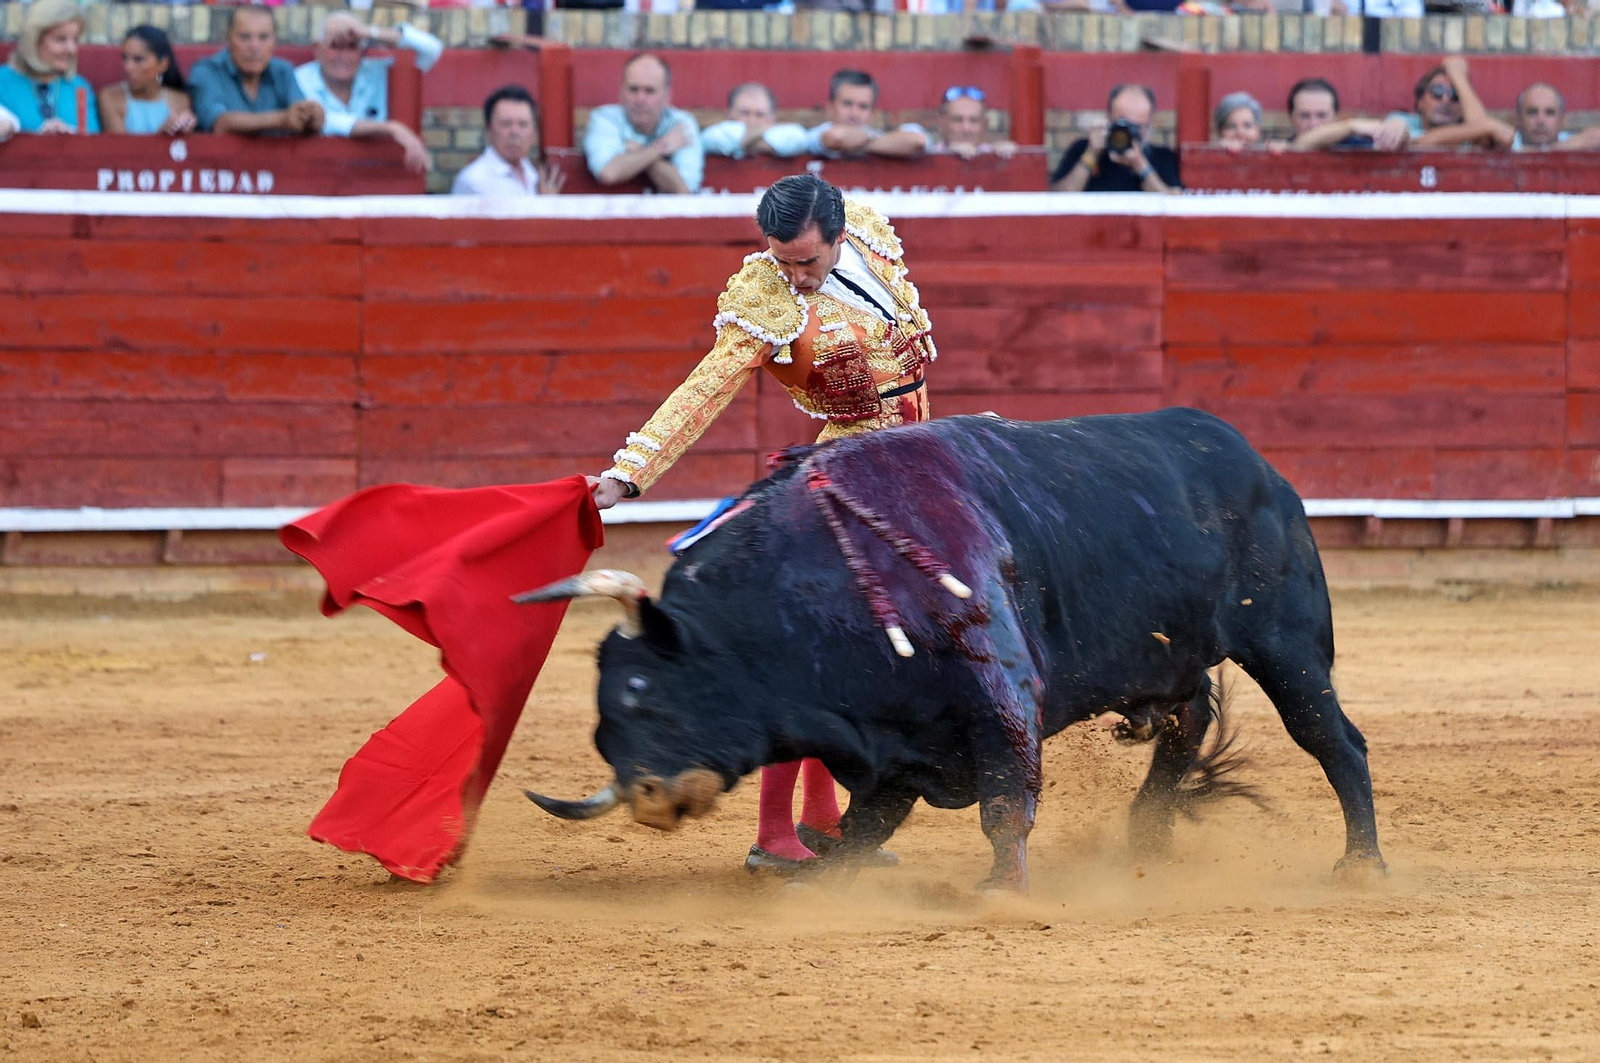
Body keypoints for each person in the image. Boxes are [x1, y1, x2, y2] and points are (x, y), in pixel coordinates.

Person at [590, 175, 937, 873]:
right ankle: (777, 832)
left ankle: (820, 820)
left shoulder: (869, 231)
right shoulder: (764, 297)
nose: (796, 277)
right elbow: (706, 385)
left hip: (917, 462)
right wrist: (631, 472)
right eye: (783, 260)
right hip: (851, 478)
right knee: (817, 652)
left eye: (808, 261)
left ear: (840, 236)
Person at [295, 11, 439, 173]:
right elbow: (325, 121)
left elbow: (431, 50)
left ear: (362, 52)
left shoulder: (378, 73)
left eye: (352, 46)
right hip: (319, 174)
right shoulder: (299, 80)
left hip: (378, 175)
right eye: (335, 46)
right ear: (317, 49)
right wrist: (390, 128)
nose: (344, 56)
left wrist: (368, 32)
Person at [188, 5, 323, 137]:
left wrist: (312, 117)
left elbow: (300, 116)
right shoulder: (206, 71)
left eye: (263, 37)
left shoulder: (283, 71)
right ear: (228, 38)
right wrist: (283, 119)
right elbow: (220, 123)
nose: (254, 46)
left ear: (274, 41)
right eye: (245, 37)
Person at [583, 53, 703, 194]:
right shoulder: (604, 119)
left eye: (649, 91)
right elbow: (608, 173)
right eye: (633, 89)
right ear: (621, 92)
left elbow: (684, 190)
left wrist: (638, 151)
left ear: (667, 96)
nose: (640, 99)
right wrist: (660, 149)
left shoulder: (682, 125)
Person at [1050, 84, 1179, 193]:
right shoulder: (1083, 149)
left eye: (1137, 127)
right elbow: (1058, 200)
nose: (1128, 132)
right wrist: (1091, 154)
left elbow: (1174, 206)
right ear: (1109, 117)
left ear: (1150, 123)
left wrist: (1140, 164)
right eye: (1123, 124)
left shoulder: (1162, 157)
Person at [0, 0, 99, 135]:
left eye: (75, 40)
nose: (71, 49)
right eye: (61, 39)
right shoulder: (3, 82)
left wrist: (70, 134)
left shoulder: (79, 86)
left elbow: (95, 144)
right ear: (34, 40)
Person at [451, 84, 564, 197]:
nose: (515, 132)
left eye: (523, 124)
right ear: (488, 129)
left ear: (534, 132)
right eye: (506, 124)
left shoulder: (533, 174)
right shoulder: (474, 180)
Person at [805, 69, 927, 159]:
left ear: (872, 114)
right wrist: (884, 144)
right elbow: (836, 137)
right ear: (830, 107)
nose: (854, 114)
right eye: (847, 104)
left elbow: (917, 141)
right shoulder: (815, 135)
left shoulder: (873, 135)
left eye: (863, 107)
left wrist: (861, 142)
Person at [97, 26, 195, 137]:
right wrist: (160, 138)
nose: (127, 67)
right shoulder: (110, 98)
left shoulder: (180, 100)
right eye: (125, 58)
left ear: (163, 64)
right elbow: (119, 150)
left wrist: (185, 129)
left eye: (138, 59)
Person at [699, 82, 808, 159]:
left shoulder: (792, 133)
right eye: (744, 113)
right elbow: (713, 140)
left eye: (760, 115)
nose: (752, 121)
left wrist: (745, 142)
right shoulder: (714, 134)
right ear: (729, 113)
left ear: (772, 117)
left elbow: (798, 138)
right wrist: (763, 133)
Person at [930, 85, 1016, 159]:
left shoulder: (994, 155)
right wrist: (948, 157)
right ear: (941, 123)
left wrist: (1007, 160)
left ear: (985, 125)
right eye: (958, 120)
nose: (966, 128)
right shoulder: (928, 160)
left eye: (974, 121)